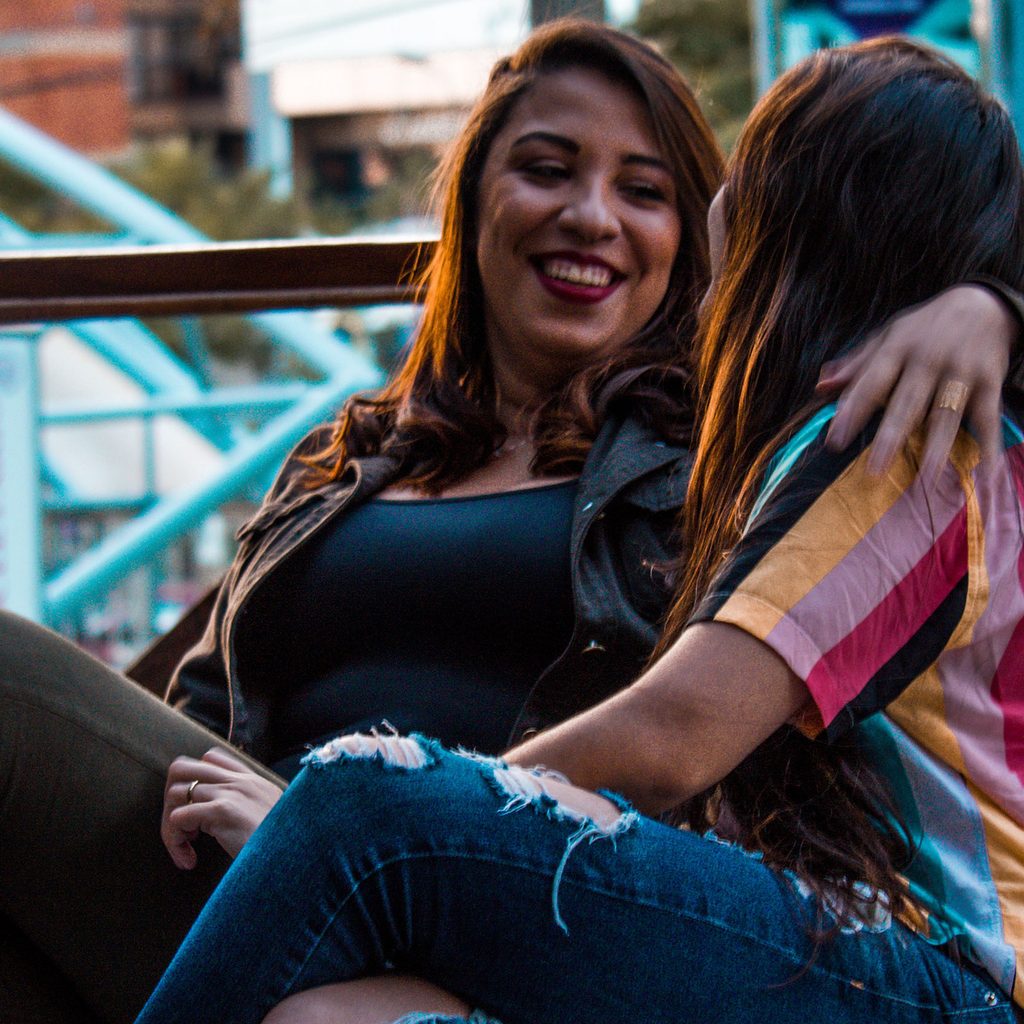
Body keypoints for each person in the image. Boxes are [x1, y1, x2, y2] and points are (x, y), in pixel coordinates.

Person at [0, 20, 1019, 1024]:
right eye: (546, 168)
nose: (591, 215)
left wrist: (994, 299)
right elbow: (205, 707)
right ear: (469, 201)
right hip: (268, 846)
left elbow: (674, 743)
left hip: (475, 885)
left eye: (651, 189)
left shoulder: (780, 451)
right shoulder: (345, 459)